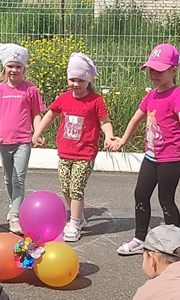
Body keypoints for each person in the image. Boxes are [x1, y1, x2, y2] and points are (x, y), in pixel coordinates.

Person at [108, 44, 180, 255]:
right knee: (140, 194)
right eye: (151, 70)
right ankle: (139, 239)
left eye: (159, 70)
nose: (153, 74)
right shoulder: (151, 96)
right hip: (151, 157)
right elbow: (136, 118)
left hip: (171, 158)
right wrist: (122, 140)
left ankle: (175, 243)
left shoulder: (177, 95)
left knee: (165, 199)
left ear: (174, 70)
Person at [32, 52, 114, 242]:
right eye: (72, 79)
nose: (76, 84)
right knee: (66, 188)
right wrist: (38, 132)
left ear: (88, 80)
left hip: (85, 153)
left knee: (76, 188)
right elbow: (50, 115)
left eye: (80, 80)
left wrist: (109, 136)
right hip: (65, 151)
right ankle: (80, 218)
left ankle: (75, 223)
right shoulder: (64, 98)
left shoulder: (95, 100)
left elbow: (104, 121)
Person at [0, 43, 46, 234]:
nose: (14, 70)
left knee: (18, 179)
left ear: (24, 69)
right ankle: (14, 204)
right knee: (8, 178)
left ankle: (15, 216)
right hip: (4, 141)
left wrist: (37, 133)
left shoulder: (30, 90)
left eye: (18, 66)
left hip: (23, 141)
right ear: (4, 68)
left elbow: (36, 114)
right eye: (10, 66)